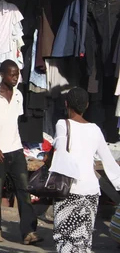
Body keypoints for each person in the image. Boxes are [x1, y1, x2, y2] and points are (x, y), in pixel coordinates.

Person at [0, 60, 42, 245]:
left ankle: (29, 232)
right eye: (12, 75)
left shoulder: (19, 95)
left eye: (17, 75)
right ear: (2, 74)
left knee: (24, 190)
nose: (15, 78)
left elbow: (14, 122)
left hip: (16, 150)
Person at [49, 87, 120, 252]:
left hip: (69, 189)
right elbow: (109, 161)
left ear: (66, 104)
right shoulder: (95, 129)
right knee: (83, 239)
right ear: (87, 105)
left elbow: (59, 151)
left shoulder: (62, 124)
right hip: (91, 191)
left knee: (64, 240)